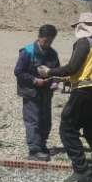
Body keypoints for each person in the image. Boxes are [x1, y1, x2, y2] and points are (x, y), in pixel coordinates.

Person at [38, 12, 92, 182]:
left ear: (82, 27)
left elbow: (72, 68)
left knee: (67, 126)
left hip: (84, 90)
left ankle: (81, 170)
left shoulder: (83, 42)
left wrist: (49, 72)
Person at [14, 24, 60, 162]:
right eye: (45, 41)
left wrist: (55, 82)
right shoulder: (27, 52)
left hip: (46, 93)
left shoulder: (53, 53)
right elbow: (18, 72)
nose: (47, 44)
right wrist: (34, 80)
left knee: (46, 121)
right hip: (30, 93)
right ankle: (34, 150)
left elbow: (56, 71)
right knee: (33, 120)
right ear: (39, 37)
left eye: (50, 41)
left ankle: (42, 145)